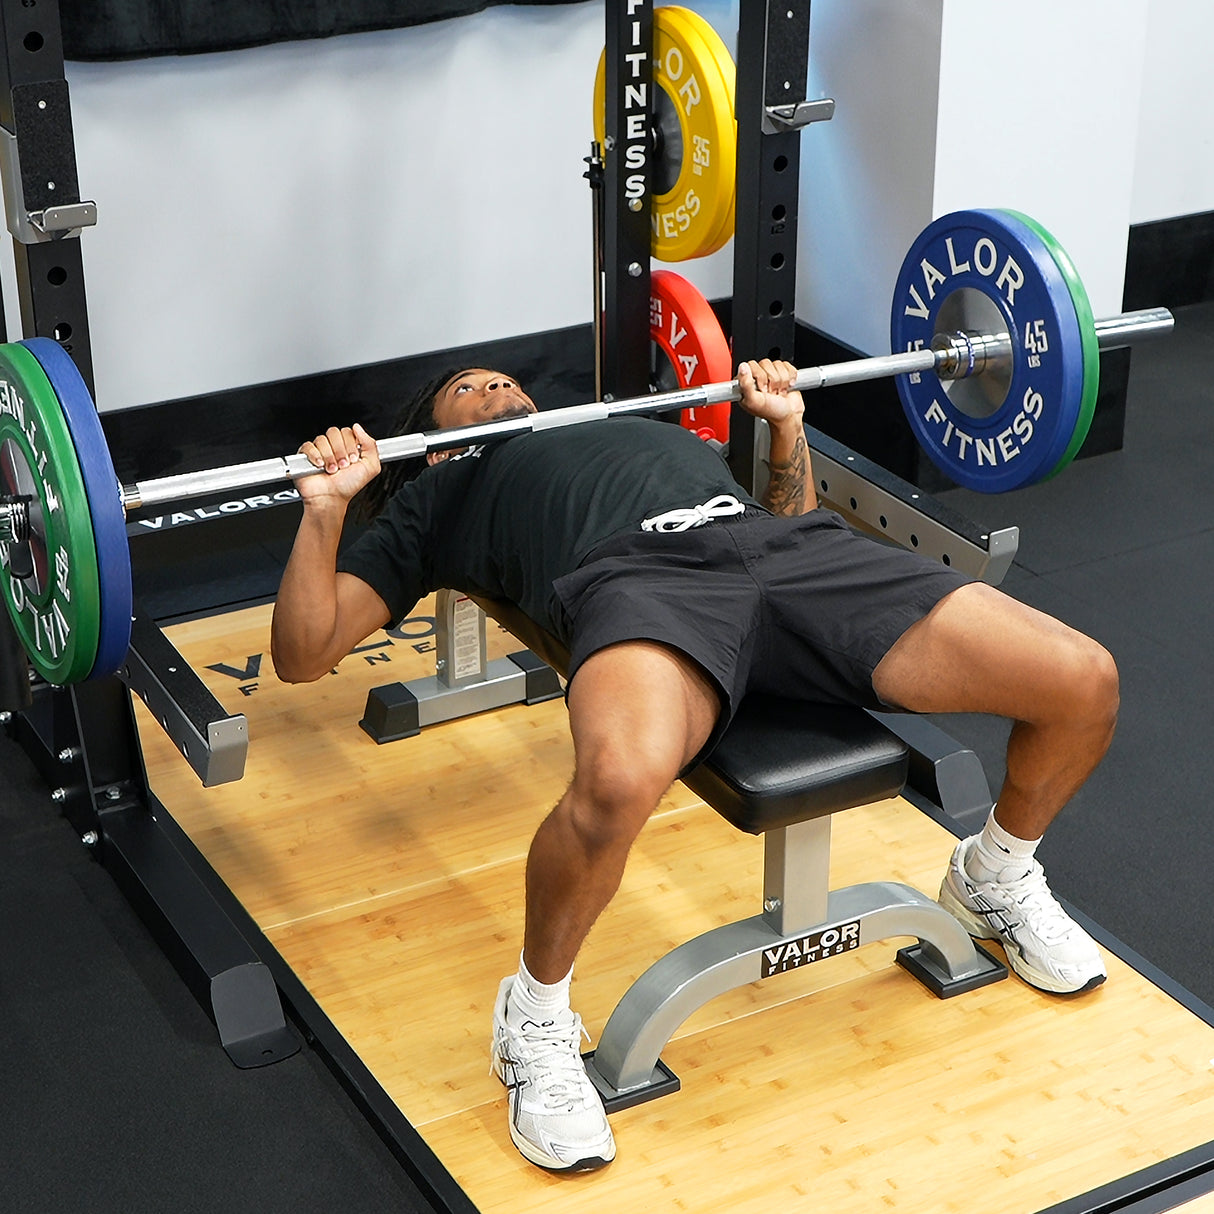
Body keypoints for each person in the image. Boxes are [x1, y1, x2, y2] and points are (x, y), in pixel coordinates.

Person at [271, 361, 1118, 1174]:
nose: (496, 386)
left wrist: (786, 431)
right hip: (639, 583)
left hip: (790, 557)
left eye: (505, 379)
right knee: (613, 784)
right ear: (437, 439)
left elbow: (789, 517)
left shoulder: (633, 424)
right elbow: (304, 652)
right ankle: (531, 1020)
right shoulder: (438, 493)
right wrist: (325, 510)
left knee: (1082, 679)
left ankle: (994, 874)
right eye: (468, 389)